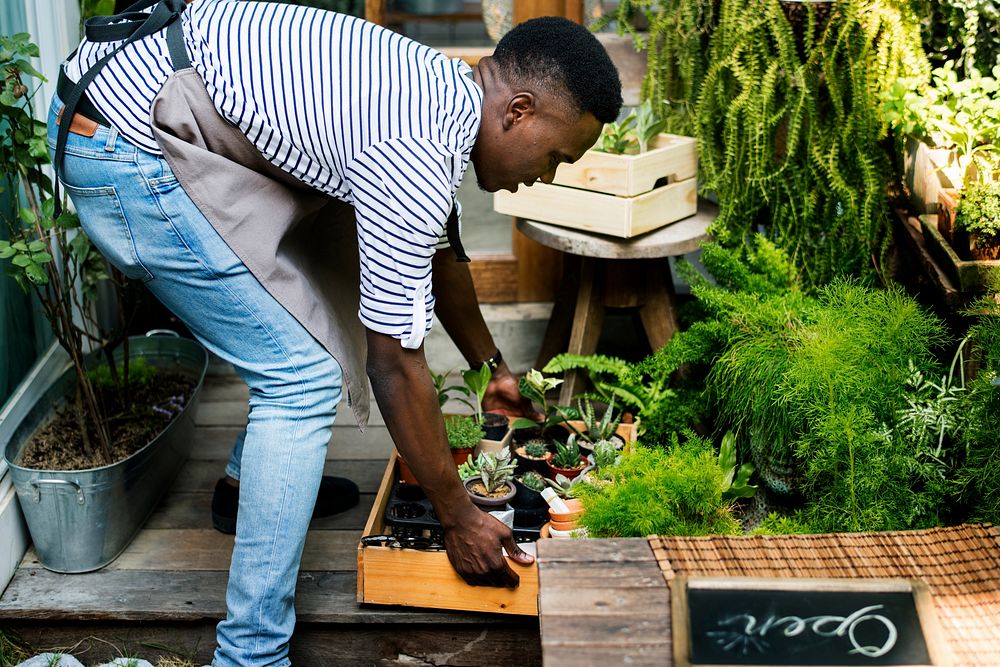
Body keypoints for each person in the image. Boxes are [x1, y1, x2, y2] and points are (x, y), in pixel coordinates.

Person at [49, 0, 622, 664]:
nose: (544, 175)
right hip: (122, 148)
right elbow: (394, 363)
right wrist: (456, 513)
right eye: (555, 155)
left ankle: (248, 489)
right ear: (517, 111)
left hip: (140, 112)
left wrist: (494, 365)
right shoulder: (413, 145)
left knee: (324, 298)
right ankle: (251, 653)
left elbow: (437, 257)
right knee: (299, 375)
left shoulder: (439, 94)